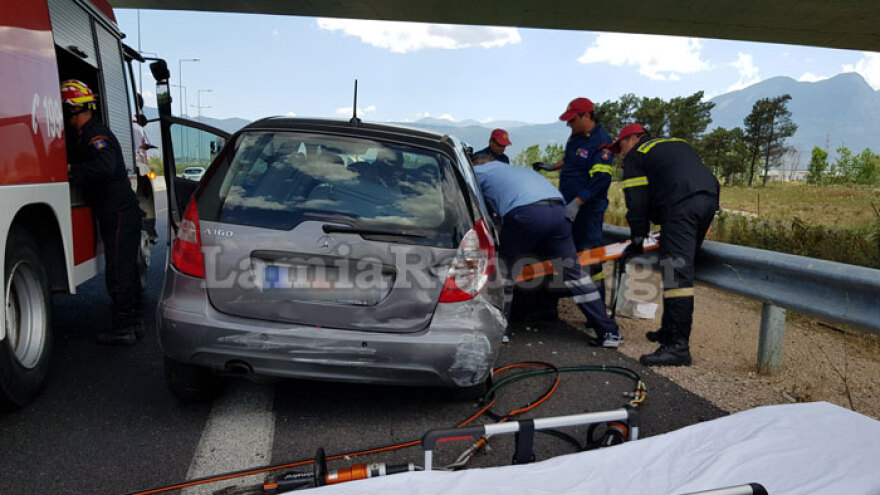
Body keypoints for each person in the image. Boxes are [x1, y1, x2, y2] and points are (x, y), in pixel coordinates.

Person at [470, 154, 621, 348]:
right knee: (575, 276)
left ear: (477, 163)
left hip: (526, 214)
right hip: (558, 211)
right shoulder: (517, 170)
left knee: (504, 273)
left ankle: (501, 331)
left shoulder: (478, 172)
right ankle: (609, 332)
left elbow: (476, 209)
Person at [608, 123, 720, 366]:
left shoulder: (637, 156)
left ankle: (677, 347)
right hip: (709, 198)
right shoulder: (675, 143)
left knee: (676, 276)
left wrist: (638, 238)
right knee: (677, 269)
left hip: (680, 205)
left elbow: (636, 202)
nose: (620, 152)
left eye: (622, 145)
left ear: (635, 138)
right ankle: (669, 331)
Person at [62, 79, 145, 345]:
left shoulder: (96, 135)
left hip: (117, 211)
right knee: (127, 269)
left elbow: (106, 166)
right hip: (120, 210)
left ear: (74, 110)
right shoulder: (91, 134)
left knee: (119, 271)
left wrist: (73, 171)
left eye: (67, 112)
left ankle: (123, 328)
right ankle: (133, 322)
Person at [532, 97, 614, 317]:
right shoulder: (575, 137)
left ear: (585, 116)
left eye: (572, 120)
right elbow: (572, 160)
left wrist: (578, 202)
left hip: (587, 211)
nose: (568, 124)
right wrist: (552, 166)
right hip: (567, 206)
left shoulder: (602, 143)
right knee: (561, 255)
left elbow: (601, 180)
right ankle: (550, 308)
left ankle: (597, 315)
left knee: (591, 260)